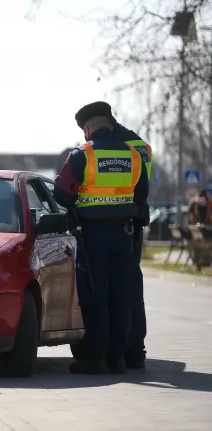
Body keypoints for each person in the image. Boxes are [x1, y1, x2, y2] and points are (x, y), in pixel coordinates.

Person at [54, 101, 149, 374]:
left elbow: (62, 194)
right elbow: (141, 196)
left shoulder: (82, 155)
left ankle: (95, 358)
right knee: (121, 296)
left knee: (95, 294)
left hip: (92, 236)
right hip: (124, 235)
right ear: (110, 123)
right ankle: (118, 358)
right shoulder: (134, 155)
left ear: (87, 129)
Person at [110, 113, 153, 369]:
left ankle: (124, 348)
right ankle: (135, 348)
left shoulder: (110, 149)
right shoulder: (141, 146)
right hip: (134, 223)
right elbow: (142, 189)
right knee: (133, 287)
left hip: (117, 225)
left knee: (119, 289)